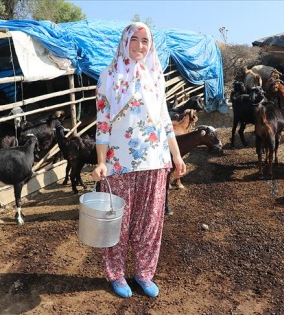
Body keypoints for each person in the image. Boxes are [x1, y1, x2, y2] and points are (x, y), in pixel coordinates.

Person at [91, 22, 186, 298]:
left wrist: (176, 155)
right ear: (125, 42)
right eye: (135, 39)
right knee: (118, 222)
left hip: (155, 160)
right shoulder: (109, 76)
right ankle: (116, 274)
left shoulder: (156, 75)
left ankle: (144, 273)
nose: (140, 46)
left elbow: (165, 120)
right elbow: (103, 122)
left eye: (145, 41)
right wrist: (100, 161)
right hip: (118, 162)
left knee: (151, 222)